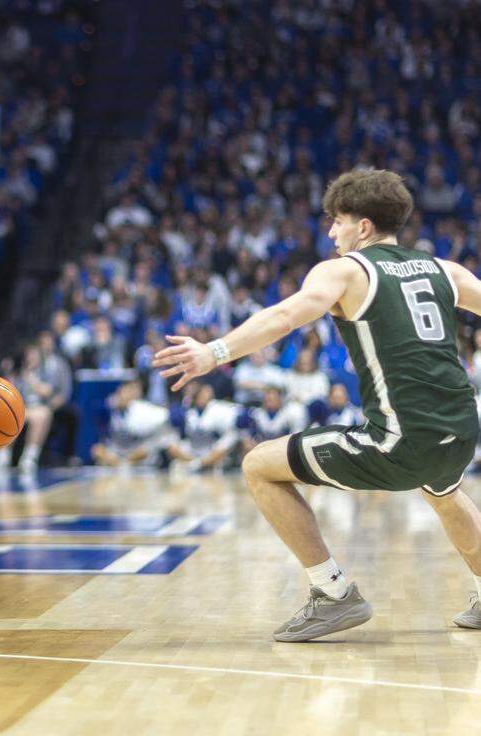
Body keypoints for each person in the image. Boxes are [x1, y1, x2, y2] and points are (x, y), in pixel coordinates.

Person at [154, 168, 481, 642]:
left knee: (258, 465)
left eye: (337, 221)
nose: (331, 232)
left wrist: (214, 353)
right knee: (445, 491)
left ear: (363, 227)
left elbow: (287, 315)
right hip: (461, 433)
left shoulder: (345, 270)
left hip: (399, 440)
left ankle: (331, 593)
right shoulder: (443, 269)